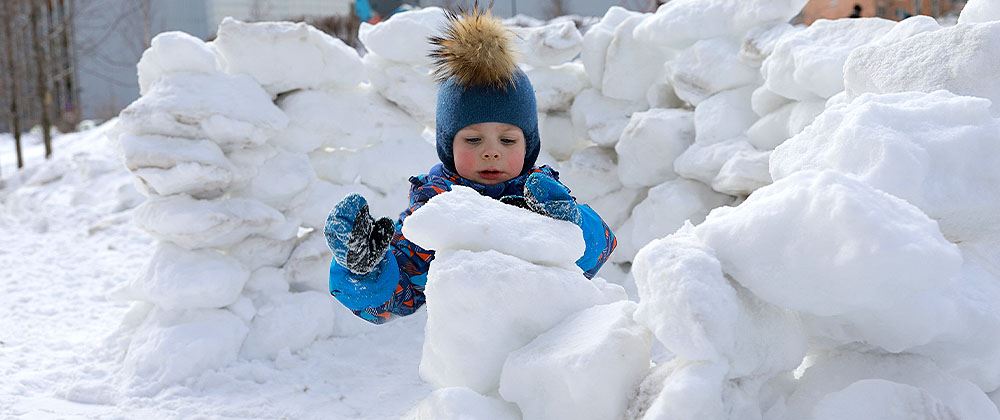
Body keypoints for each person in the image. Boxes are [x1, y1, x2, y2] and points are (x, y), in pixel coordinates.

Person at [324, 6, 617, 324]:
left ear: (529, 146)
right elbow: (399, 297)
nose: (491, 153)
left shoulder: (544, 198)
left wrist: (570, 224)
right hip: (467, 357)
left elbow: (596, 253)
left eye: (507, 141)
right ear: (448, 146)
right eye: (473, 140)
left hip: (546, 346)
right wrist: (363, 270)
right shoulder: (436, 208)